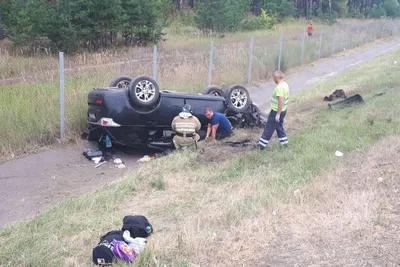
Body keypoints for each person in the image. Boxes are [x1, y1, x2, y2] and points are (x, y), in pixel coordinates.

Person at [258, 70, 289, 150]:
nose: (273, 80)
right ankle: (284, 143)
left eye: (273, 78)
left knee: (269, 128)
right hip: (283, 110)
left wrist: (278, 114)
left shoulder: (279, 88)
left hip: (276, 112)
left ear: (276, 77)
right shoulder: (285, 85)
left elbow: (281, 101)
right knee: (279, 126)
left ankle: (261, 146)